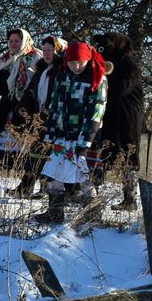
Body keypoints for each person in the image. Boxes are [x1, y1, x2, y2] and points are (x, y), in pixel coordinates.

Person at [35, 42, 108, 223]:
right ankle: (55, 212)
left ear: (88, 59)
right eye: (72, 62)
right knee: (53, 171)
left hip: (83, 136)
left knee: (84, 175)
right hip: (62, 133)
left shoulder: (97, 78)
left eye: (80, 62)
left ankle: (92, 213)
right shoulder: (63, 76)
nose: (76, 66)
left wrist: (86, 142)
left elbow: (96, 112)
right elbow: (55, 105)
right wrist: (50, 132)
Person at [89, 32, 144, 210]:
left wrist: (105, 75)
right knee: (102, 151)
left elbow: (121, 87)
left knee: (128, 154)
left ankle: (130, 198)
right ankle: (94, 193)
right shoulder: (103, 62)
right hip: (108, 113)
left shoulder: (130, 65)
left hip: (127, 115)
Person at [10, 34, 67, 198]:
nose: (47, 53)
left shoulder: (61, 72)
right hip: (38, 119)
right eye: (45, 50)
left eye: (50, 50)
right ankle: (26, 187)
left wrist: (51, 108)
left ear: (57, 51)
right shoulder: (41, 70)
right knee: (34, 154)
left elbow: (60, 94)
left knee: (49, 155)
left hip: (53, 120)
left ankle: (49, 188)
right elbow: (30, 92)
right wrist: (22, 107)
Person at [0, 28, 40, 187]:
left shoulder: (34, 58)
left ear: (25, 41)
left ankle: (26, 187)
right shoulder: (5, 59)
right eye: (11, 41)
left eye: (17, 41)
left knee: (26, 152)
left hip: (24, 108)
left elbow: (35, 84)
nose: (13, 44)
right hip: (6, 108)